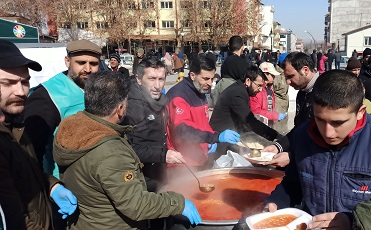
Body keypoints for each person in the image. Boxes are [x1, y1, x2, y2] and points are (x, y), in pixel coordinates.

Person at [263, 70, 371, 230]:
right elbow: (292, 185)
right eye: (320, 119)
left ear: (360, 112)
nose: (327, 132)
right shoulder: (301, 136)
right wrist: (275, 203)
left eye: (338, 123)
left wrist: (354, 222)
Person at [53, 71, 201, 229]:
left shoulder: (72, 127)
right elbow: (136, 205)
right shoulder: (111, 151)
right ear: (120, 108)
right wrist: (178, 203)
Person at [0, 39, 77, 229]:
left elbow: (26, 172)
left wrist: (52, 185)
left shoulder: (17, 124)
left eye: (24, 82)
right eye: (8, 83)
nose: (20, 91)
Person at [24, 39, 102, 179]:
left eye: (93, 64)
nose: (88, 69)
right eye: (81, 63)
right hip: (64, 182)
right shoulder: (48, 96)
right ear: (67, 61)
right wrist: (49, 185)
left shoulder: (97, 89)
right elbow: (31, 150)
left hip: (93, 179)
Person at [166, 55, 240, 167]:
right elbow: (183, 131)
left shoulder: (200, 91)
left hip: (200, 156)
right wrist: (215, 137)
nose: (210, 83)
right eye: (205, 79)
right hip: (183, 162)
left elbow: (202, 123)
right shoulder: (179, 96)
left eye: (212, 78)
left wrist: (211, 139)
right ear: (192, 75)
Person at [119, 58, 177, 192]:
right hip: (139, 181)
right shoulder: (131, 107)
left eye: (161, 79)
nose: (158, 85)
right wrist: (163, 155)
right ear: (139, 79)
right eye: (152, 79)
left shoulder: (159, 101)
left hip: (158, 173)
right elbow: (126, 148)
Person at [210, 66, 280, 143]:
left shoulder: (241, 90)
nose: (260, 90)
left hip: (231, 132)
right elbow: (249, 121)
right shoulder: (237, 94)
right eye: (259, 86)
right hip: (220, 135)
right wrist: (274, 135)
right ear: (248, 81)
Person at [211, 36, 249, 104]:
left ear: (229, 48)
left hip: (223, 93)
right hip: (236, 95)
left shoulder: (225, 62)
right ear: (242, 47)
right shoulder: (242, 62)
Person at [250, 62, 287, 128]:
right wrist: (275, 116)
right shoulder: (257, 91)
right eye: (272, 75)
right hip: (259, 127)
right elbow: (255, 112)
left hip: (268, 125)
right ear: (265, 74)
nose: (274, 77)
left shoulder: (269, 89)